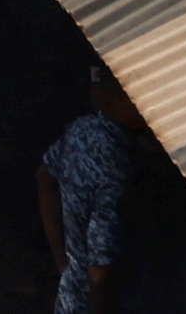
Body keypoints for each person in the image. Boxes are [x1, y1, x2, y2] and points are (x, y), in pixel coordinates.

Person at [42, 67, 137, 314]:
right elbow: (99, 273)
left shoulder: (81, 130)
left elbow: (43, 177)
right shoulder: (115, 169)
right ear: (121, 100)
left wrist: (61, 259)